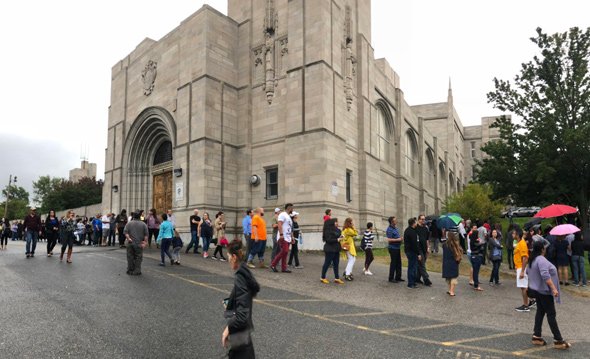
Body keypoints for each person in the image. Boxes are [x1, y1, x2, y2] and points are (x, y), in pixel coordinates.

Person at [528, 240, 571, 350]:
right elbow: (545, 275)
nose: (546, 248)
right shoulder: (541, 260)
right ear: (542, 249)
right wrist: (553, 288)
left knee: (540, 312)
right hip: (545, 291)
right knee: (551, 314)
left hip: (538, 290)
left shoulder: (533, 259)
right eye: (545, 247)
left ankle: (536, 336)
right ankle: (558, 340)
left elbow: (529, 272)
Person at [222, 239, 260, 358]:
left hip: (241, 334)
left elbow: (242, 316)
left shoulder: (240, 277)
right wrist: (231, 302)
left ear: (233, 257)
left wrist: (228, 328)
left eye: (228, 256)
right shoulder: (245, 272)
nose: (228, 259)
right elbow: (244, 298)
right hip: (242, 336)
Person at [270, 204, 294, 273]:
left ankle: (284, 268)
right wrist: (281, 234)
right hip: (283, 236)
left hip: (288, 237)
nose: (293, 210)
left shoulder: (288, 216)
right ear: (289, 208)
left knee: (285, 253)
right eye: (292, 208)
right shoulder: (282, 214)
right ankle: (273, 264)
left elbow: (289, 228)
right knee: (285, 251)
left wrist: (292, 237)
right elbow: (279, 224)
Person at [514, 228, 533, 312]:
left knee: (523, 287)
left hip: (521, 267)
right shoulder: (520, 243)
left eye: (514, 233)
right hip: (519, 266)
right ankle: (531, 300)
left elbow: (525, 258)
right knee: (524, 286)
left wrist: (522, 271)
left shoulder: (522, 243)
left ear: (517, 235)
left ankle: (525, 305)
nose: (512, 235)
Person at [320, 218, 343, 284]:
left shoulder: (337, 229)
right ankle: (322, 277)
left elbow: (338, 234)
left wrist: (341, 237)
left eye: (337, 222)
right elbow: (328, 240)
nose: (337, 223)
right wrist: (337, 239)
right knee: (327, 263)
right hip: (330, 249)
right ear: (332, 223)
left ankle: (337, 278)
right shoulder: (327, 230)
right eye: (335, 222)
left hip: (336, 249)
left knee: (336, 264)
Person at [124, 211, 148, 275]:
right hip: (139, 243)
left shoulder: (129, 223)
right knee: (138, 257)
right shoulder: (143, 224)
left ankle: (130, 269)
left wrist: (129, 238)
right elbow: (146, 235)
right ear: (140, 216)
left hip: (130, 243)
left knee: (130, 256)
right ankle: (137, 270)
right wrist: (145, 243)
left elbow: (126, 233)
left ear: (133, 216)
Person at [442, 230, 462, 296]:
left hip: (446, 262)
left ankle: (449, 289)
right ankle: (452, 291)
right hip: (453, 262)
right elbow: (459, 253)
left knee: (448, 278)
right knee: (453, 277)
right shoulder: (455, 244)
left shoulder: (444, 244)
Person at [416, 214, 432, 286]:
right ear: (418, 220)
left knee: (421, 264)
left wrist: (428, 248)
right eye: (422, 219)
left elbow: (427, 239)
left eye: (424, 219)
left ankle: (417, 278)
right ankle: (426, 279)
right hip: (418, 249)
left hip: (424, 248)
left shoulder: (426, 228)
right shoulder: (416, 228)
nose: (423, 220)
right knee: (422, 264)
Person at [386, 216, 404, 283]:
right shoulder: (389, 229)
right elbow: (389, 240)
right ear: (392, 222)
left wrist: (400, 239)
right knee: (393, 263)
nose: (396, 221)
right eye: (395, 220)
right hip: (393, 248)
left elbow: (397, 236)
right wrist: (398, 239)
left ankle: (398, 277)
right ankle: (391, 278)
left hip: (397, 247)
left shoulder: (395, 228)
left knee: (399, 263)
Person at [404, 218, 420, 289]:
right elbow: (414, 244)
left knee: (413, 267)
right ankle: (411, 283)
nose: (417, 223)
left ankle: (413, 282)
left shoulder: (408, 230)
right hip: (412, 251)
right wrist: (418, 253)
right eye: (416, 222)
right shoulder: (411, 232)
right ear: (413, 223)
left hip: (409, 251)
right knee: (412, 267)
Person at [470, 223, 485, 292]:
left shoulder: (471, 241)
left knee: (474, 271)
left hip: (472, 256)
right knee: (476, 271)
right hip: (477, 256)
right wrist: (481, 244)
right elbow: (481, 248)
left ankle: (475, 283)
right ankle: (476, 285)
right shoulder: (477, 242)